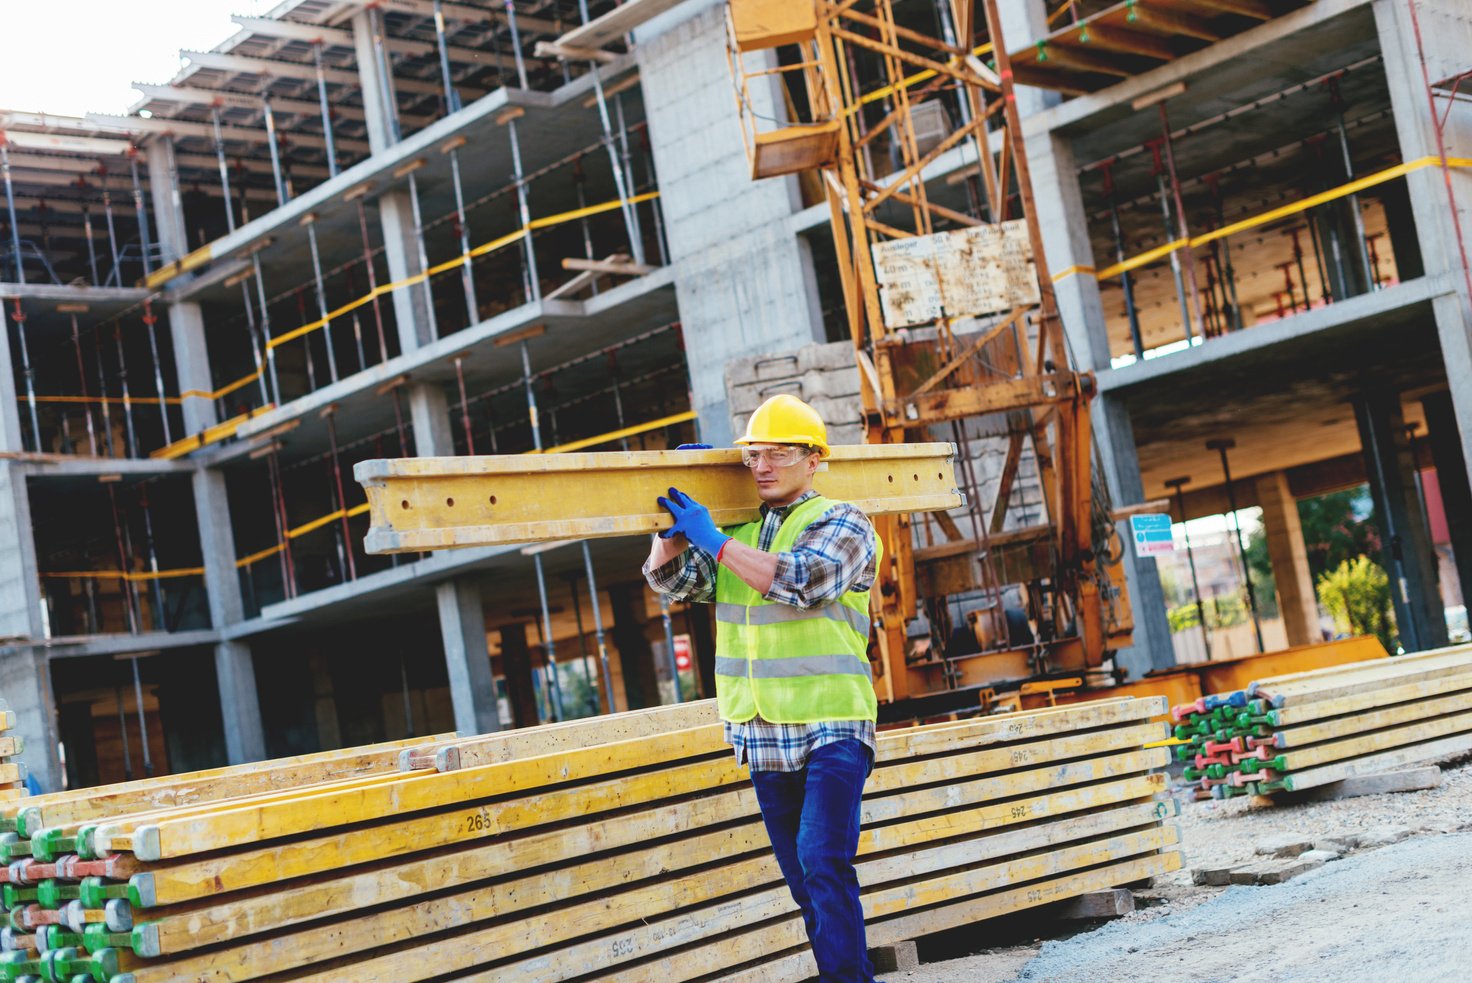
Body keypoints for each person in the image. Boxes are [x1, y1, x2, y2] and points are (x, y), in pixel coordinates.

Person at [643, 394, 880, 983]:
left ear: (814, 460)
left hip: (833, 723)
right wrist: (671, 523)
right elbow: (674, 581)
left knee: (823, 861)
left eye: (780, 453)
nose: (765, 465)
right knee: (805, 881)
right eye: (755, 455)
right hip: (761, 729)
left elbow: (803, 581)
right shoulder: (739, 529)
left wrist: (714, 537)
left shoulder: (844, 522)